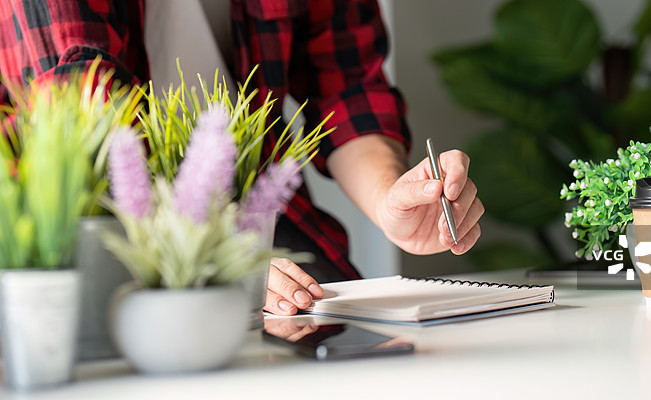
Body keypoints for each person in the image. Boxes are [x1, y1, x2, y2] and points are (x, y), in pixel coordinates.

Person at [0, 0, 483, 315]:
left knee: (359, 343)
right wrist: (208, 255)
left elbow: (347, 84)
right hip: (96, 222)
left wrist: (387, 198)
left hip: (260, 215)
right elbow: (79, 115)